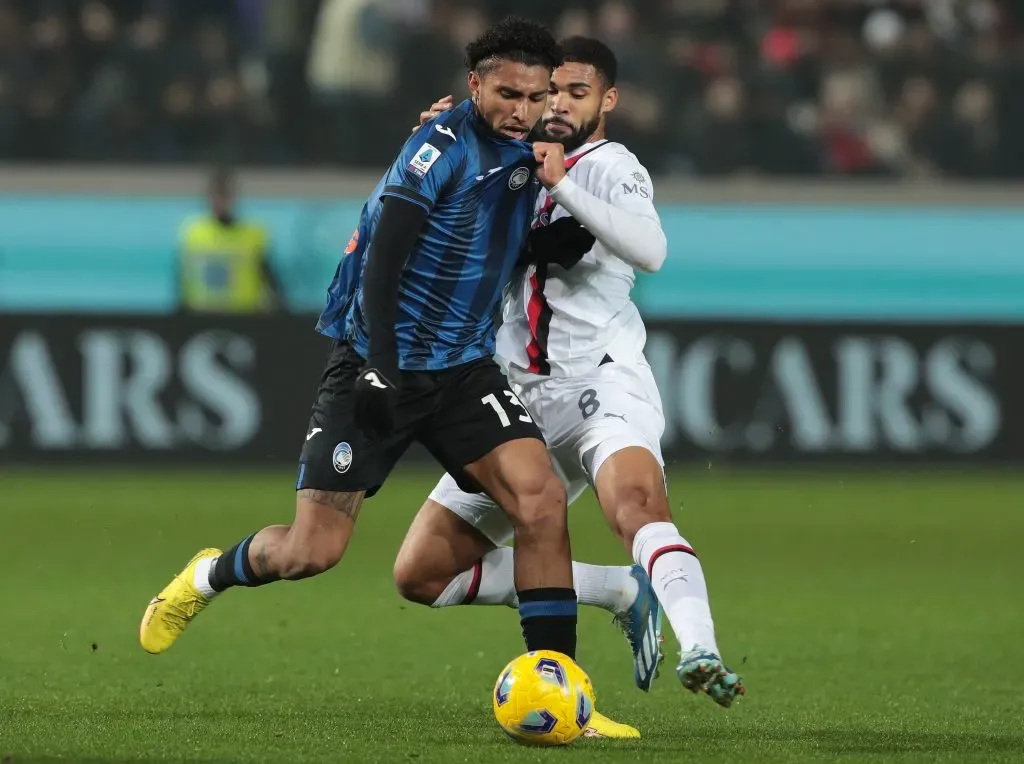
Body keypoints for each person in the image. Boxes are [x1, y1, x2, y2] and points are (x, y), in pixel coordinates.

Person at [139, 18, 596, 686]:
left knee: (542, 498)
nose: (520, 110)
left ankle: (559, 686)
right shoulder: (438, 149)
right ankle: (208, 575)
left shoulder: (536, 151)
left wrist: (555, 239)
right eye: (507, 94)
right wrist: (382, 364)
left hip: (464, 370)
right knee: (311, 552)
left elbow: (493, 238)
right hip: (381, 360)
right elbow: (385, 259)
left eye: (534, 97)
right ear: (474, 86)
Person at [394, 36, 745, 709]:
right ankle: (618, 589)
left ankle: (700, 647)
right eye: (550, 91)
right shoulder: (506, 160)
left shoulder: (613, 167)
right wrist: (443, 134)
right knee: (423, 574)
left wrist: (561, 184)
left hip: (599, 384)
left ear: (607, 100)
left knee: (636, 508)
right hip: (515, 398)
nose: (557, 105)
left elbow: (651, 251)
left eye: (576, 93)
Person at [177, 167, 282, 314]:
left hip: (244, 316)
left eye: (225, 194)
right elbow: (182, 282)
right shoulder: (193, 233)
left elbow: (272, 282)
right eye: (217, 193)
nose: (221, 200)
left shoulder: (253, 235)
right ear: (209, 196)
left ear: (234, 196)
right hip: (202, 316)